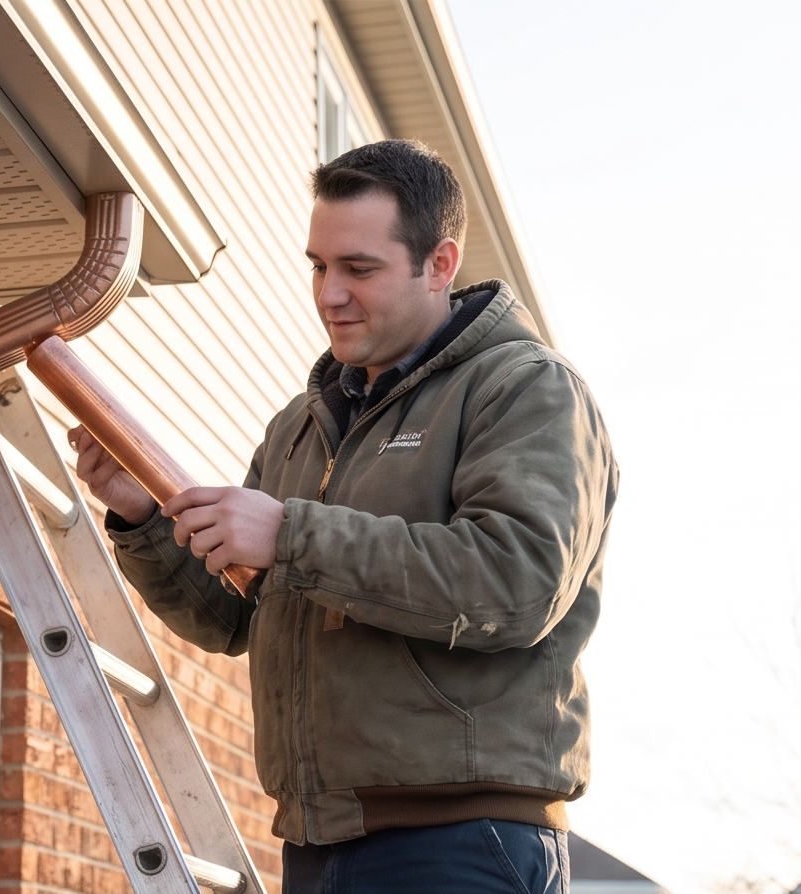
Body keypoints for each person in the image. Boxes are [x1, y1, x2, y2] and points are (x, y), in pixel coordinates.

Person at [69, 139, 618, 894]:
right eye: (319, 266)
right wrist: (140, 517)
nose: (329, 293)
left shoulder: (527, 390)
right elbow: (233, 619)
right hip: (317, 843)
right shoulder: (301, 423)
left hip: (463, 843)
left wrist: (291, 535)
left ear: (440, 263)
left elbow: (515, 584)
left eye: (359, 268)